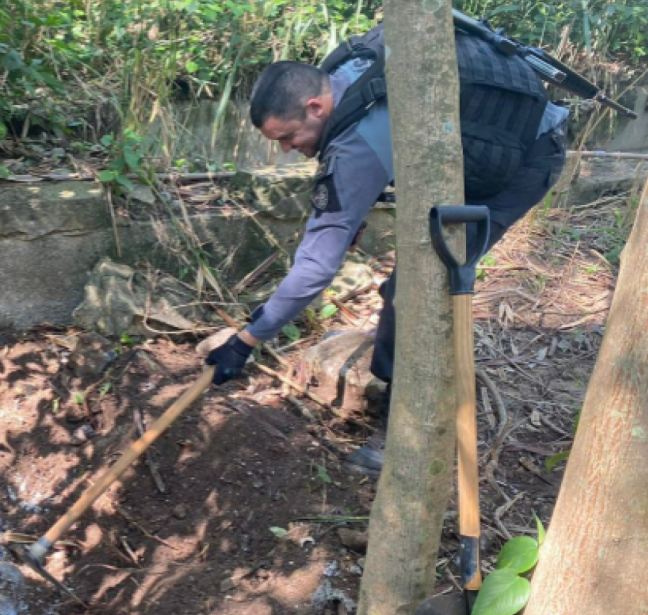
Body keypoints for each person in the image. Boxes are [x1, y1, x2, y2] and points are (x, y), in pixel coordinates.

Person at [204, 21, 570, 429]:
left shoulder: (354, 141)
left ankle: (408, 427)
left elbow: (317, 267)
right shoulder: (350, 72)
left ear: (315, 107)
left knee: (418, 288)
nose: (288, 150)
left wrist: (247, 341)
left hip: (525, 159)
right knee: (411, 283)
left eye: (288, 137)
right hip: (481, 142)